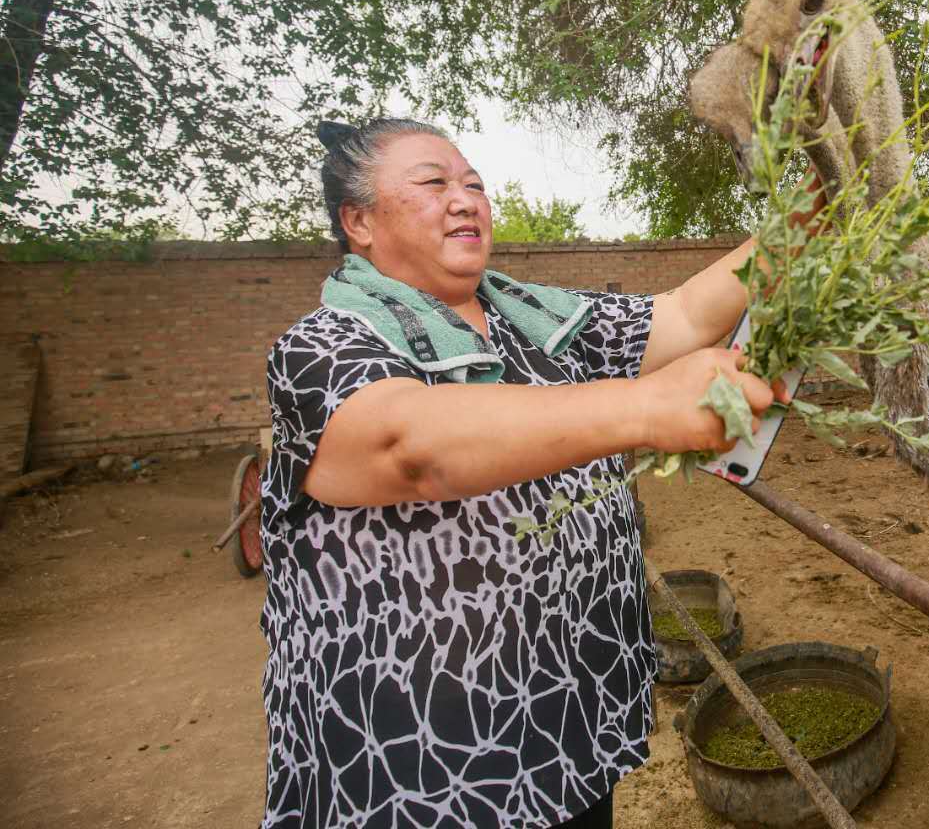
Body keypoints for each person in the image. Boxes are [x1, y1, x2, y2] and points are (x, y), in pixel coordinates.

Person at [260, 117, 807, 828]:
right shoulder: (323, 346)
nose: (465, 199)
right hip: (427, 760)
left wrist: (811, 218)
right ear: (358, 221)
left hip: (564, 724)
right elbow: (407, 448)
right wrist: (643, 406)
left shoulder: (536, 319)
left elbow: (683, 315)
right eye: (433, 183)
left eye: (474, 185)